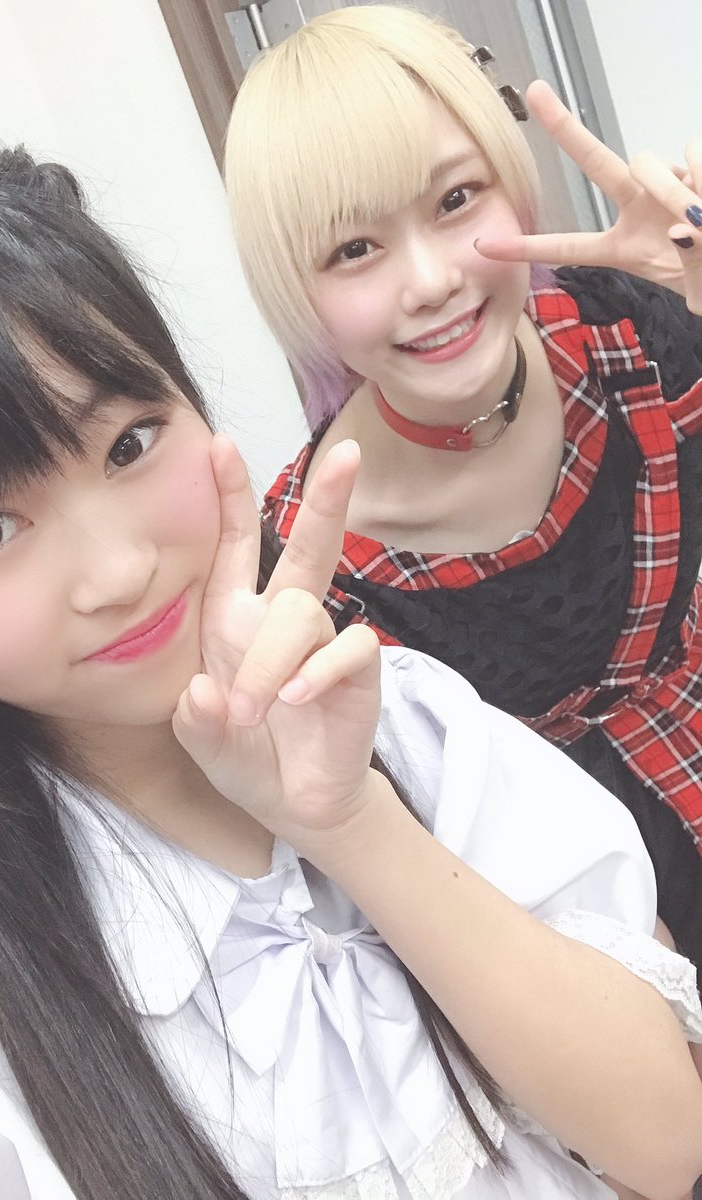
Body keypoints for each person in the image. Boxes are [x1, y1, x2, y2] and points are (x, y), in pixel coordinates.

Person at [0, 139, 700, 1200]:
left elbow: (668, 1141)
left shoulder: (413, 724)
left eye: (129, 444)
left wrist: (352, 826)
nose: (120, 571)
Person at [223, 4, 702, 973]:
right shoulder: (314, 572)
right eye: (354, 249)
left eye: (454, 200)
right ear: (292, 288)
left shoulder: (633, 333)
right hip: (584, 937)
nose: (432, 280)